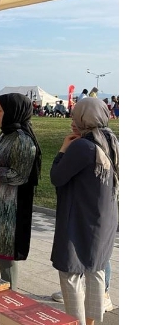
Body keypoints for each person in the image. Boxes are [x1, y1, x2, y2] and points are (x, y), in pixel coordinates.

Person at [50, 97, 118, 325]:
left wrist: (62, 149)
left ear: (84, 118)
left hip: (79, 218)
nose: (71, 118)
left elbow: (57, 177)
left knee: (71, 274)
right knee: (96, 271)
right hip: (103, 218)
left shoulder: (81, 146)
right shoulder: (111, 140)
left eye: (75, 114)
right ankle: (92, 322)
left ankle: (75, 322)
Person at [0, 93, 42, 290]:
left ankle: (9, 301)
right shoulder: (4, 134)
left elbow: (19, 176)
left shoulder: (22, 140)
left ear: (13, 112)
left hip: (8, 213)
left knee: (5, 260)